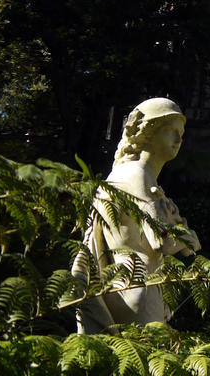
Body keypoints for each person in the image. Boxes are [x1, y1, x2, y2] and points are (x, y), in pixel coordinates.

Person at [73, 98, 201, 333]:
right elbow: (165, 240)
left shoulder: (133, 176)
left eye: (181, 133)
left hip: (131, 286)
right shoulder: (136, 176)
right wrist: (189, 236)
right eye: (170, 131)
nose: (178, 139)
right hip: (136, 290)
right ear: (148, 132)